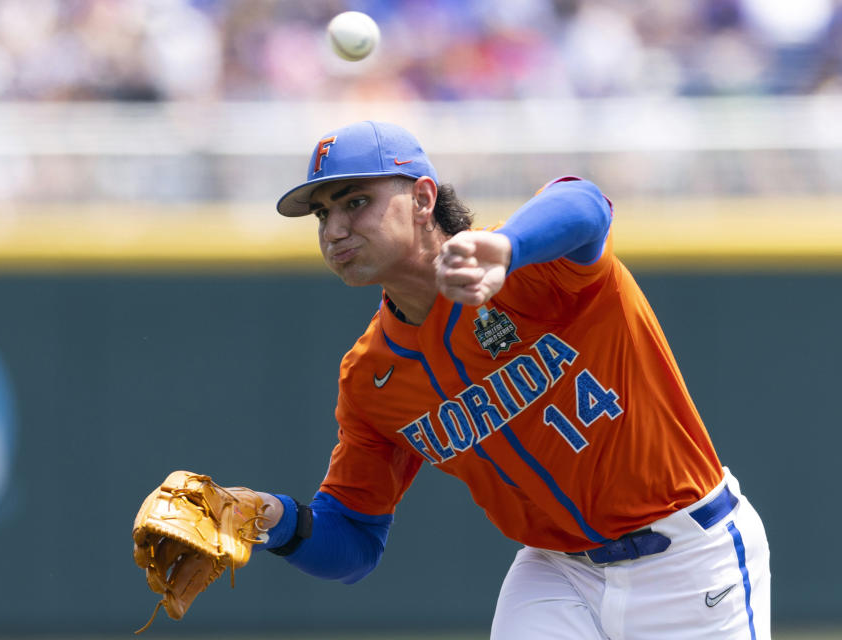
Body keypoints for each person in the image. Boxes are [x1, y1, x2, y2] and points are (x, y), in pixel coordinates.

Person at [249, 120, 772, 638]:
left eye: (355, 201)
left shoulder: (535, 262)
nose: (334, 229)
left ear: (423, 199)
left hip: (692, 556)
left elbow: (586, 203)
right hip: (558, 573)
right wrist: (271, 520)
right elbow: (354, 540)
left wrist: (507, 247)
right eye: (322, 214)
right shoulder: (370, 376)